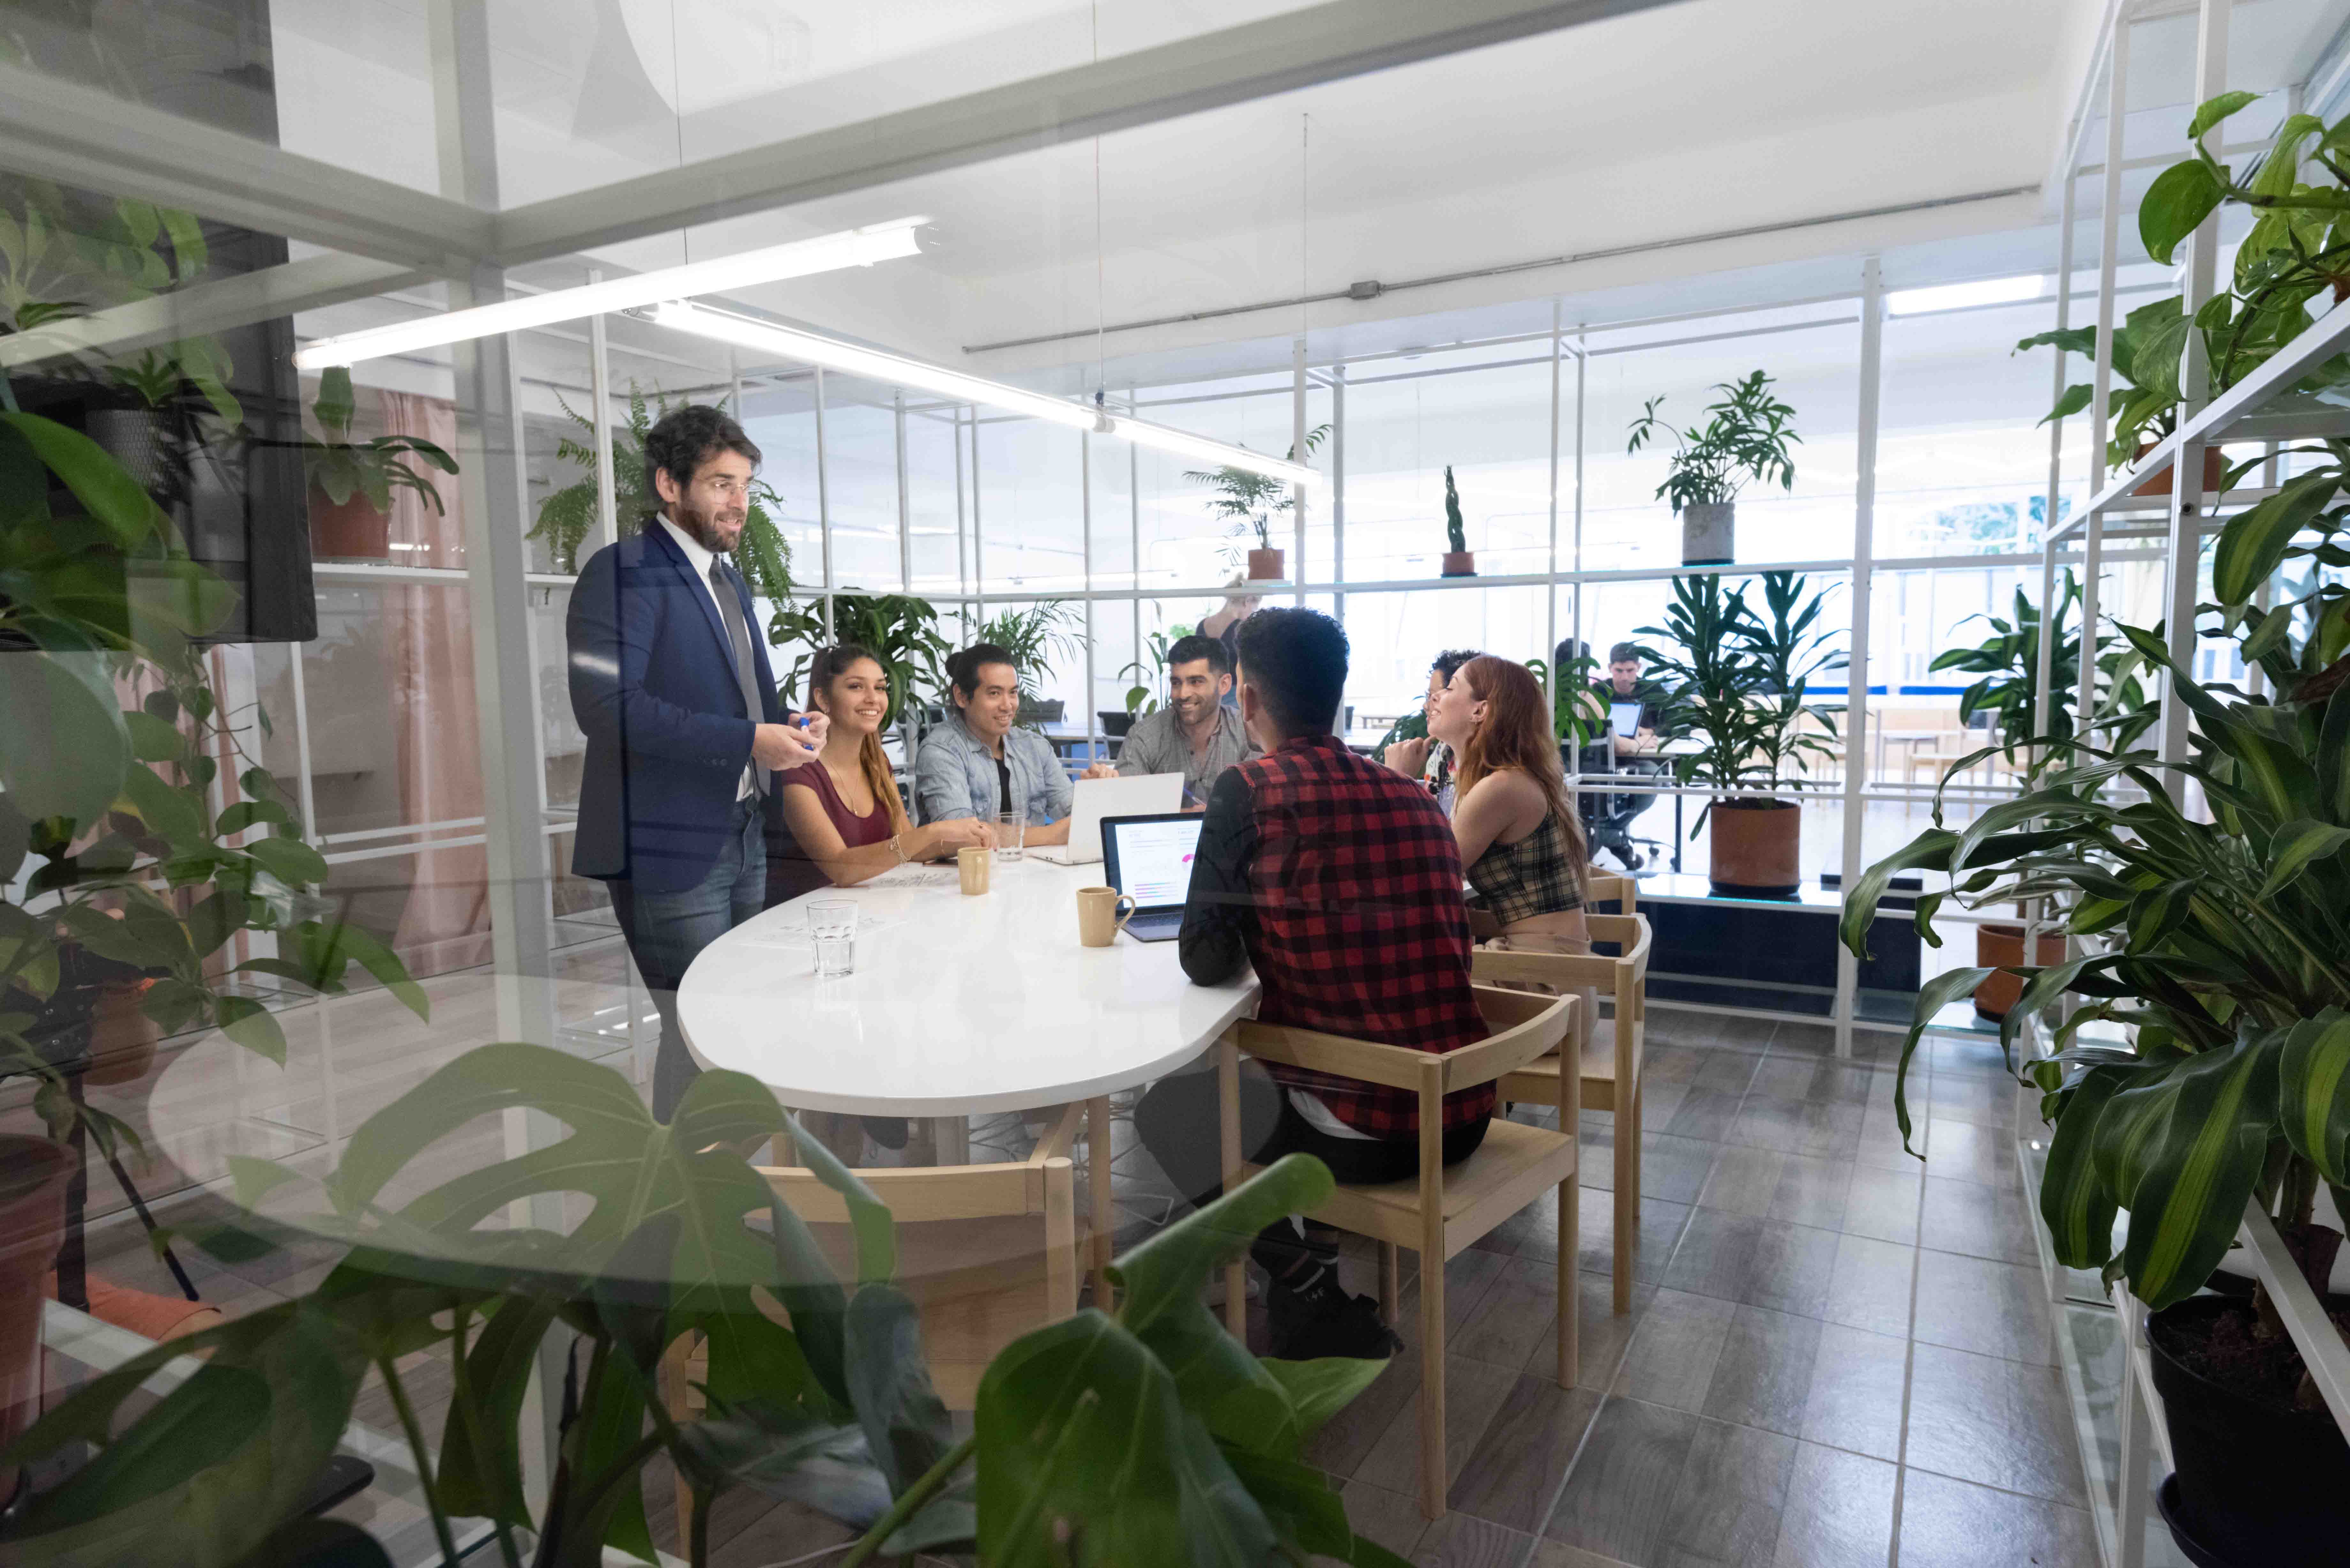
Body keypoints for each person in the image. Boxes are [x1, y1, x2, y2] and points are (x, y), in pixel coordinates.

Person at [1133, 607, 1493, 1360]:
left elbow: (1204, 959)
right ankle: (1310, 1284)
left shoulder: (1248, 788)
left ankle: (1302, 1282)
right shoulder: (1413, 798)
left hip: (1375, 1129)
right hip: (1463, 1105)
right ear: (1337, 692)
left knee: (1172, 1108)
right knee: (1282, 1069)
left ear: (1250, 701)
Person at [568, 404, 827, 1118]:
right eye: (720, 483)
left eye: (744, 485)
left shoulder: (725, 578)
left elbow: (742, 701)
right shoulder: (624, 571)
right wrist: (748, 739)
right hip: (669, 844)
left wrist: (790, 726)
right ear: (669, 485)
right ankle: (672, 1207)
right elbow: (606, 706)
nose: (738, 501)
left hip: (742, 831)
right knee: (700, 1030)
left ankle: (725, 1184)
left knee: (734, 1025)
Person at [778, 644, 996, 884]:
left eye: (880, 688)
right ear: (822, 698)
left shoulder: (876, 761)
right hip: (810, 916)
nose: (873, 698)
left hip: (870, 909)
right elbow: (840, 868)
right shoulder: (798, 766)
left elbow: (906, 842)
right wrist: (936, 831)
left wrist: (962, 840)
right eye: (856, 687)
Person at [1420, 655, 1593, 954]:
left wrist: (1394, 778)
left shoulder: (1502, 787)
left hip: (1545, 972)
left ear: (1480, 710)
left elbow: (1428, 875)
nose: (1435, 696)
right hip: (1543, 955)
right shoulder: (1502, 779)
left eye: (1450, 688)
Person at [913, 643, 1112, 844]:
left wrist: (1093, 796)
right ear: (962, 697)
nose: (1008, 705)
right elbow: (962, 837)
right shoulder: (940, 751)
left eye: (1013, 693)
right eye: (994, 693)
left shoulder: (1035, 747)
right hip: (967, 875)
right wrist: (1054, 833)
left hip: (1034, 873)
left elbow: (1079, 818)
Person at [1113, 633, 1259, 808]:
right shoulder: (1145, 736)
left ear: (1224, 685)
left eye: (1196, 682)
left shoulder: (1248, 732)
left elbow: (1259, 809)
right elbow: (1124, 809)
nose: (1183, 694)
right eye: (1176, 683)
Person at [1379, 648, 1481, 812]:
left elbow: (1441, 836)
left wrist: (1399, 778)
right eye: (1430, 695)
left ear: (1479, 708)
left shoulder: (1494, 777)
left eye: (1448, 690)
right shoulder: (1443, 752)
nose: (1427, 704)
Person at [1592, 641, 1664, 760]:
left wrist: (1651, 731)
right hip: (1606, 756)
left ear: (1639, 667)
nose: (1625, 678)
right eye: (1619, 671)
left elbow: (1674, 722)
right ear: (1610, 668)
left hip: (1646, 755)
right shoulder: (1599, 691)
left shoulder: (1653, 690)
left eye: (1630, 671)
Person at [1198, 582, 1261, 708]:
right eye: (1253, 610)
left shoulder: (1202, 625)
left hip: (1206, 695)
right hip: (1234, 697)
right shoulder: (1243, 629)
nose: (1251, 615)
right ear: (1247, 601)